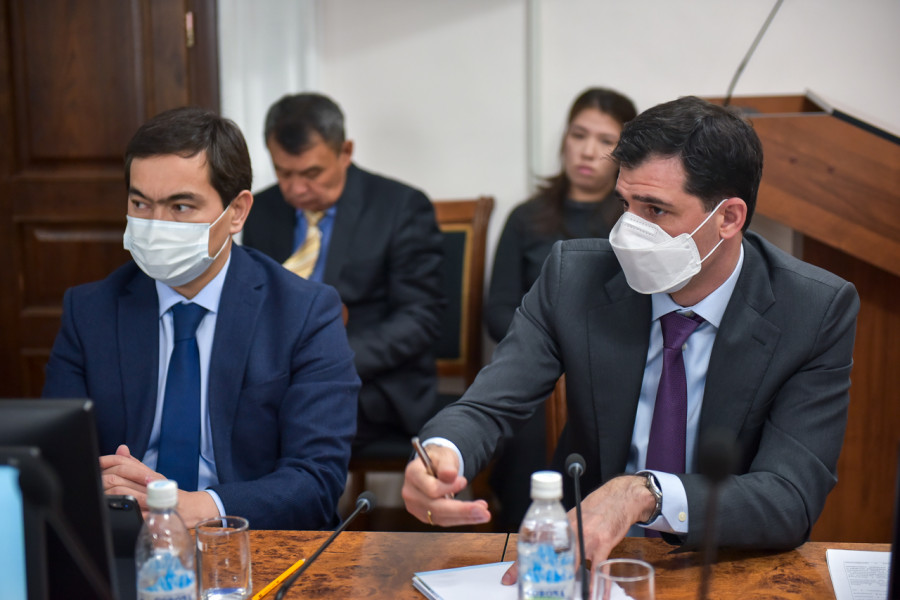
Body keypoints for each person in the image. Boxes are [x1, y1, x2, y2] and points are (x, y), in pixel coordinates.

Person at [402, 96, 859, 582]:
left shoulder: (813, 310)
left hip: (722, 565)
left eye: (656, 210)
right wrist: (443, 453)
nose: (629, 232)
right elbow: (489, 404)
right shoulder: (572, 277)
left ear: (728, 218)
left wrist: (644, 493)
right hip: (584, 562)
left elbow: (789, 497)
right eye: (625, 204)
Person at [43, 107, 360, 530]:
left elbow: (316, 479)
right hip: (124, 534)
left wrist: (203, 507)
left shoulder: (304, 312)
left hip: (246, 536)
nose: (156, 225)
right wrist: (104, 486)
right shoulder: (90, 311)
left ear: (237, 212)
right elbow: (56, 459)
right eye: (140, 203)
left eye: (181, 206)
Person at [242, 93, 445, 448]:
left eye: (312, 173)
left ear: (345, 152)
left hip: (372, 382)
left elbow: (419, 318)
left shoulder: (399, 207)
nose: (296, 188)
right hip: (280, 379)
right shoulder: (261, 210)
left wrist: (326, 362)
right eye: (283, 172)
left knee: (281, 424)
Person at [484, 87, 637, 529]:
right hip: (539, 365)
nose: (588, 151)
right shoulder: (526, 217)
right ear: (564, 139)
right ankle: (525, 536)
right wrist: (551, 354)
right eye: (578, 135)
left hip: (608, 366)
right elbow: (498, 312)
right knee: (529, 419)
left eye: (606, 141)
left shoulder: (634, 221)